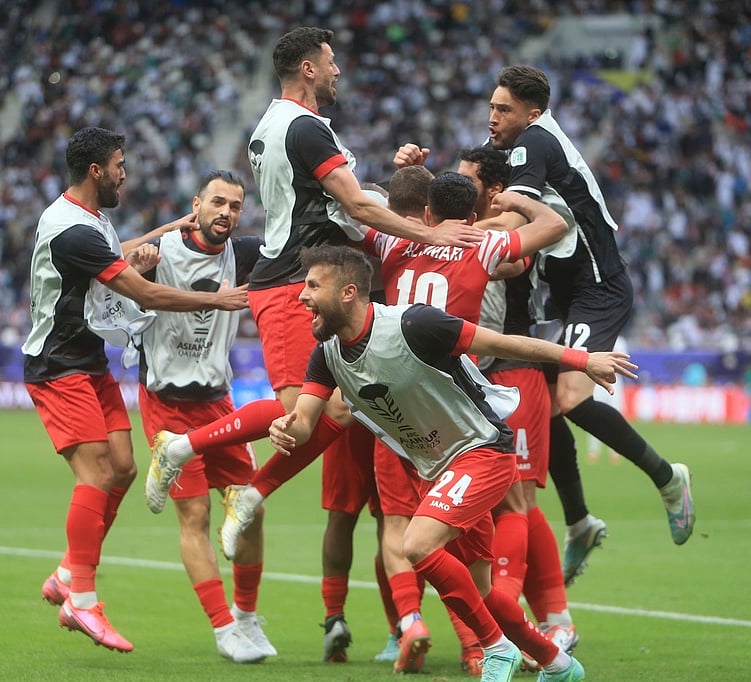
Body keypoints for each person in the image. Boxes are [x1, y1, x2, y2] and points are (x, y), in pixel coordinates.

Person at [146, 26, 484, 663]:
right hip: (294, 282)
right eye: (331, 62)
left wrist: (396, 184)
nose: (337, 71)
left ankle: (244, 488)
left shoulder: (273, 128)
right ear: (308, 67)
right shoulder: (306, 128)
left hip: (305, 275)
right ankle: (189, 451)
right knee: (306, 409)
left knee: (327, 409)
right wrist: (434, 234)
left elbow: (332, 204)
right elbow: (351, 203)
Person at [272, 244, 637, 681]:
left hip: (482, 451)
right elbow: (306, 423)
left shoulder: (413, 324)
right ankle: (558, 664)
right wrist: (286, 430)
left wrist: (582, 359)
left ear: (348, 292)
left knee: (416, 543)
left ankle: (495, 648)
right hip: (438, 470)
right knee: (488, 598)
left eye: (312, 285)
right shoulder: (327, 355)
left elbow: (501, 342)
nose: (301, 296)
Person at [396, 65, 696, 585]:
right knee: (549, 402)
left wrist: (436, 236)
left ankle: (667, 477)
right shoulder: (523, 147)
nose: (492, 117)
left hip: (595, 286)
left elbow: (513, 221)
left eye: (503, 109)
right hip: (560, 296)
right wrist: (417, 185)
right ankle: (579, 520)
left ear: (532, 114)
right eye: (491, 106)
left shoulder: (533, 143)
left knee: (573, 397)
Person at [23, 126, 248, 653]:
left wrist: (168, 226)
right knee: (96, 473)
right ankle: (82, 597)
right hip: (57, 366)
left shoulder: (86, 219)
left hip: (87, 360)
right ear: (97, 171)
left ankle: (66, 572)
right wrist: (219, 302)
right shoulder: (72, 229)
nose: (126, 173)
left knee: (123, 467)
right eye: (120, 165)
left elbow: (114, 253)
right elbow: (142, 290)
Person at [361, 166, 567, 674]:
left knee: (398, 522)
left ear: (427, 214)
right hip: (456, 412)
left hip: (394, 406)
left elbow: (351, 204)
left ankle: (413, 622)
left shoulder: (392, 243)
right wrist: (507, 208)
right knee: (485, 523)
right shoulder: (481, 245)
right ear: (472, 215)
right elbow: (555, 226)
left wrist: (404, 197)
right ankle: (481, 645)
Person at [136, 170, 277, 663]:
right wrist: (153, 241)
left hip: (218, 402)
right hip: (166, 403)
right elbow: (108, 257)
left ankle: (245, 617)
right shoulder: (163, 253)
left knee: (252, 508)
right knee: (194, 516)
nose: (227, 213)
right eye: (218, 202)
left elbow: (302, 242)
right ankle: (222, 629)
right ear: (196, 204)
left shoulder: (246, 254)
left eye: (235, 206)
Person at [456, 147, 581, 667]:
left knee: (518, 499)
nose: (458, 188)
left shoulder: (506, 231)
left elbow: (528, 247)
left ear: (490, 190)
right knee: (505, 502)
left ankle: (552, 620)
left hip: (516, 373)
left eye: (467, 182)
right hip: (485, 378)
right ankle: (533, 616)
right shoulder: (470, 230)